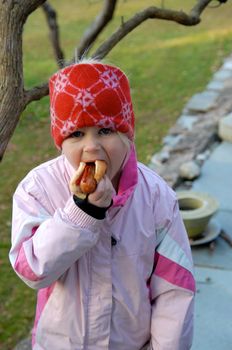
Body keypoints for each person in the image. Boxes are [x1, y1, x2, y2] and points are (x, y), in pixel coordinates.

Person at [9, 60, 195, 350]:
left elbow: (175, 290)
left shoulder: (157, 198)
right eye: (76, 134)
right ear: (60, 143)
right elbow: (32, 270)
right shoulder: (39, 188)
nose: (92, 147)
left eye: (105, 131)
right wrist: (81, 214)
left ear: (127, 133)